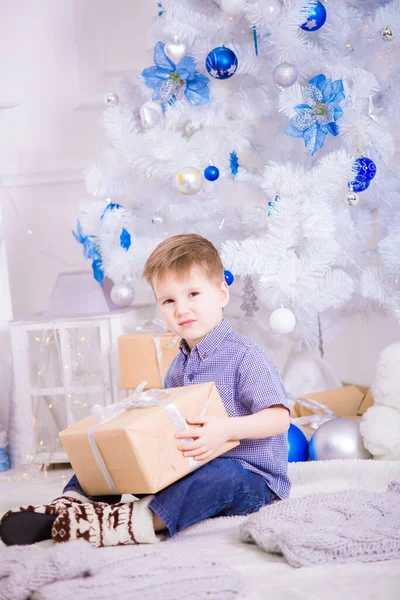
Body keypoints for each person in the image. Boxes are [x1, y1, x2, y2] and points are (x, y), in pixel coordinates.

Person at [0, 234, 290, 547]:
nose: (182, 309)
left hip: (251, 480)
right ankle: (70, 507)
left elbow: (278, 419)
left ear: (221, 294)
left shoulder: (245, 355)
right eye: (169, 301)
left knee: (221, 475)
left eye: (193, 293)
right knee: (114, 453)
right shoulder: (177, 367)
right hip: (190, 469)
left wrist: (226, 430)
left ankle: (134, 522)